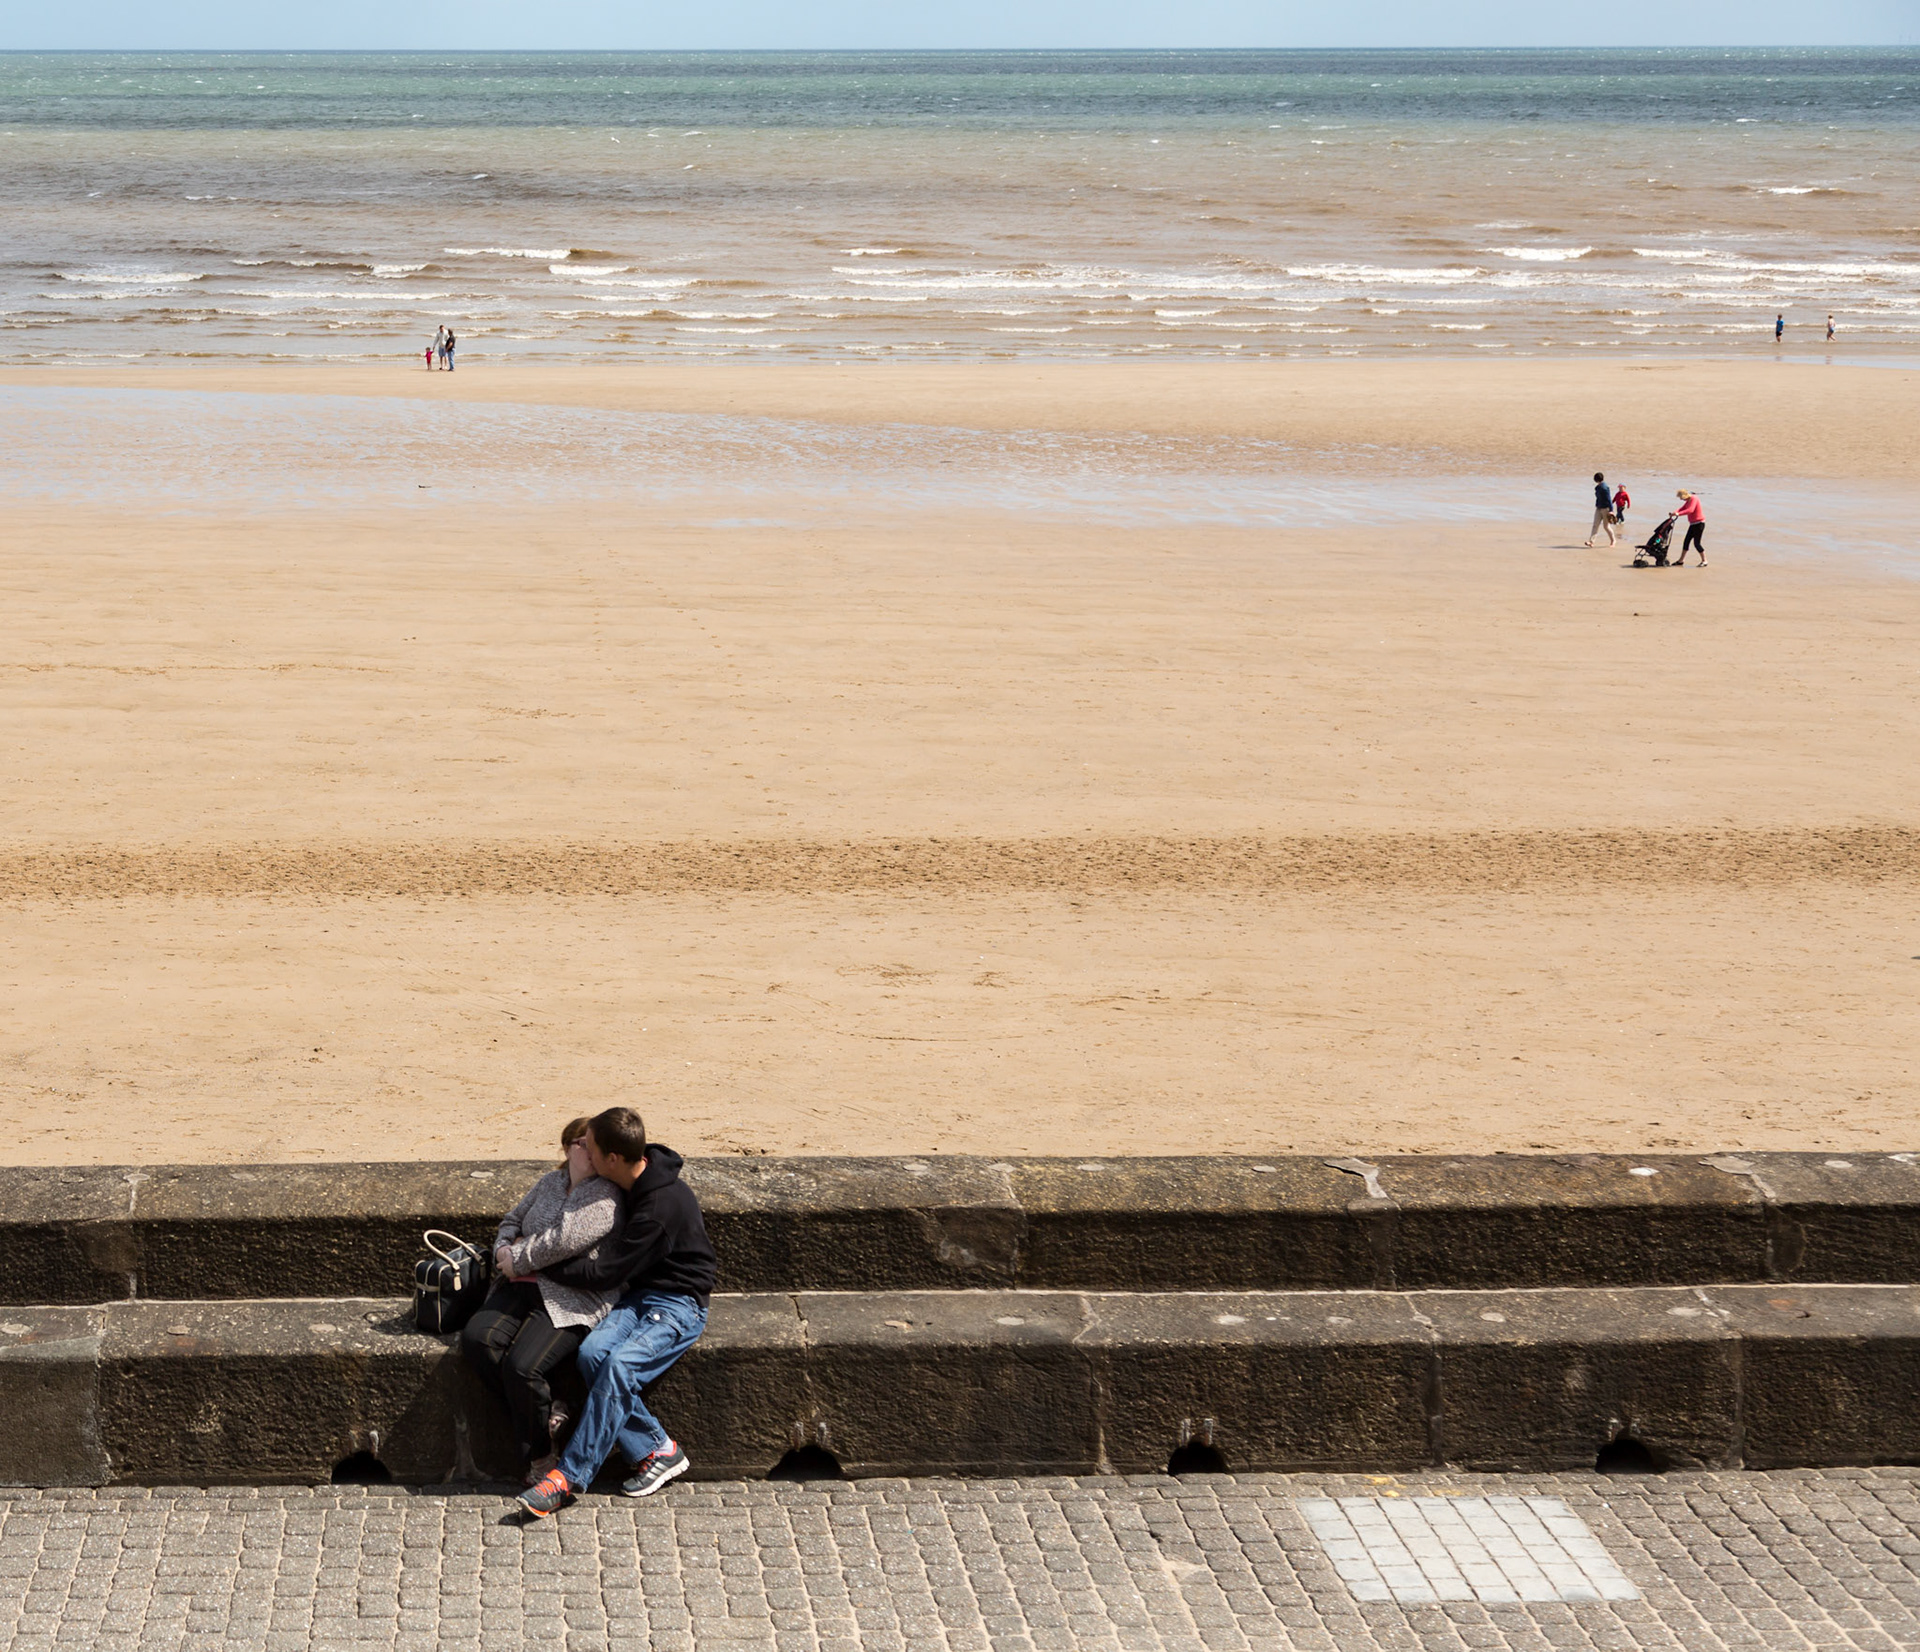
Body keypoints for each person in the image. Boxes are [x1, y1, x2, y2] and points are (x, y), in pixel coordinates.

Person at [516, 1106, 717, 1517]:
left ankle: (567, 1477)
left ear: (613, 1159)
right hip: (639, 1296)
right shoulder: (631, 1176)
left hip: (679, 1304)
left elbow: (605, 1271)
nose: (583, 1153)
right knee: (592, 1354)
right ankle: (658, 1448)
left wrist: (536, 1261)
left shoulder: (659, 1207)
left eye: (589, 1148)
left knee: (620, 1366)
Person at [461, 1118, 621, 1482]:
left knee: (522, 1366)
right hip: (518, 1284)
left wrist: (516, 1258)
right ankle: (548, 1408)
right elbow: (513, 1220)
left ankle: (541, 1457)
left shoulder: (605, 1195)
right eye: (585, 1144)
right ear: (568, 1149)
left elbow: (564, 1242)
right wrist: (504, 1247)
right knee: (478, 1340)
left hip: (571, 1298)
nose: (592, 1152)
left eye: (596, 1146)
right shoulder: (549, 1182)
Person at [1673, 489, 1707, 565]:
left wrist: (1679, 514)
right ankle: (1681, 560)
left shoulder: (1694, 498)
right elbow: (1683, 508)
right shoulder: (1688, 500)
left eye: (1681, 497)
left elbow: (1690, 510)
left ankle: (1704, 561)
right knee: (1686, 542)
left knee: (1696, 543)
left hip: (1699, 523)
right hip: (1693, 524)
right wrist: (1675, 512)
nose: (1681, 499)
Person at [1585, 472, 1617, 548]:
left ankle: (1613, 540)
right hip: (1599, 508)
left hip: (1606, 509)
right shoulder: (1598, 487)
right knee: (1595, 525)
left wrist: (1611, 510)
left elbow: (1609, 499)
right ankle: (1591, 542)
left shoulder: (1604, 488)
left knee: (1606, 527)